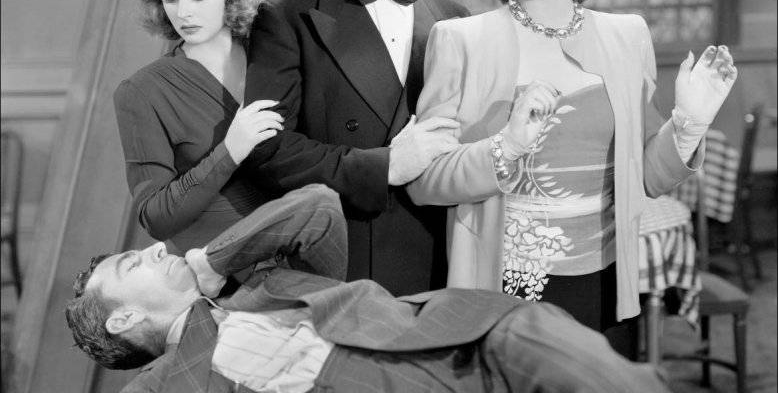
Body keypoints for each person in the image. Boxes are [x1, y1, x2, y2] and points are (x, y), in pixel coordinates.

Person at [407, 0, 738, 358]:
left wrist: (688, 124)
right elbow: (425, 181)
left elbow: (648, 177)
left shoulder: (627, 36)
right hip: (507, 285)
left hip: (607, 286)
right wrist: (506, 147)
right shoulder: (461, 40)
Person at [65, 186, 671, 393]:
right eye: (131, 264)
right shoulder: (162, 383)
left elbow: (318, 206)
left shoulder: (260, 282)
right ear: (122, 320)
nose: (154, 248)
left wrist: (212, 263)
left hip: (463, 347)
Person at [241, 0, 469, 296]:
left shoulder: (455, 19)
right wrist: (384, 166)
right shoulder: (285, 18)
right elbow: (268, 150)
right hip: (344, 263)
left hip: (442, 260)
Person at [113, 0, 285, 253]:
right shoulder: (143, 92)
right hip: (224, 270)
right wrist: (229, 151)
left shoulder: (278, 53)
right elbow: (155, 217)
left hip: (312, 245)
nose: (184, 12)